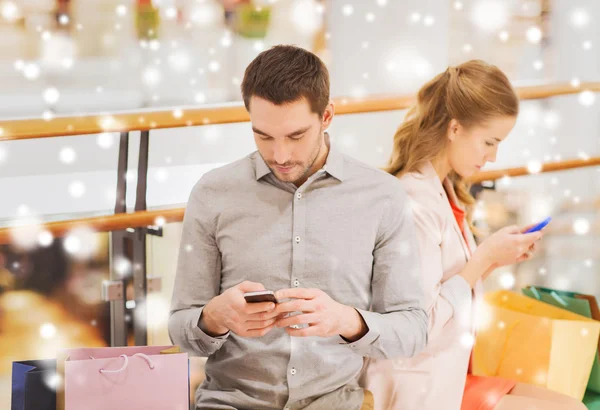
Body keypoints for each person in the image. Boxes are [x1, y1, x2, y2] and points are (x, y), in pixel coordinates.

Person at [168, 45, 428, 410]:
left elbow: (414, 331)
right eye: (263, 136)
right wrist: (213, 318)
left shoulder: (382, 196)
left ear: (327, 116)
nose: (280, 155)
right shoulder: (213, 194)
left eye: (295, 136)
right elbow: (180, 328)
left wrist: (345, 320)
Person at [360, 60, 586, 410]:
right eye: (489, 142)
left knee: (574, 404)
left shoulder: (445, 189)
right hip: (421, 384)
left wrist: (493, 259)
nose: (493, 157)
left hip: (450, 371)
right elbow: (420, 325)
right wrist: (484, 257)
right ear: (454, 128)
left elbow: (450, 283)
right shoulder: (414, 203)